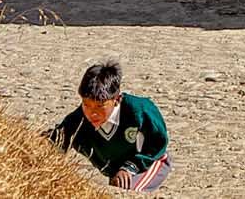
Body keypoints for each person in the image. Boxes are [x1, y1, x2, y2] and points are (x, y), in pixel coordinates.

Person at [45, 59, 171, 189]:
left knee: (127, 191)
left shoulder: (140, 110)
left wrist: (130, 167)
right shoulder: (78, 121)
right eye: (86, 104)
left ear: (117, 99)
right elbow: (52, 143)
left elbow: (158, 143)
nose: (92, 113)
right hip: (116, 174)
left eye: (100, 106)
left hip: (150, 162)